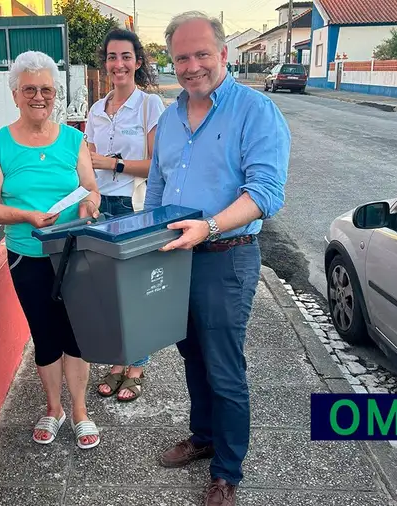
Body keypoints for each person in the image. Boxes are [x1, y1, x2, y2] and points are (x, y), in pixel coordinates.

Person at [146, 11, 290, 506]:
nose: (192, 66)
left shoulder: (255, 111)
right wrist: (147, 245)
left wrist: (209, 226)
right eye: (181, 57)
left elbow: (266, 192)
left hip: (227, 257)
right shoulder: (169, 116)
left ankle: (227, 472)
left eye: (202, 54)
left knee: (224, 367)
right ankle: (203, 437)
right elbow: (158, 189)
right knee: (190, 357)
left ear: (223, 54)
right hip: (176, 257)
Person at [0, 50, 103, 450]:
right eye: (29, 89)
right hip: (27, 256)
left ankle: (80, 411)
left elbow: (92, 189)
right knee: (44, 335)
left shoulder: (73, 139)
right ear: (15, 94)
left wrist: (90, 203)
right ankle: (54, 408)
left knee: (75, 334)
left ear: (55, 95)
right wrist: (25, 215)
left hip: (75, 254)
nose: (39, 96)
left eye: (46, 89)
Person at [84, 28, 166, 402]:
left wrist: (110, 164)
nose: (119, 64)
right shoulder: (95, 111)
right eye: (112, 57)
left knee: (138, 290)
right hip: (102, 208)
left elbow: (155, 166)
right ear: (105, 63)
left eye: (126, 57)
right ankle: (118, 360)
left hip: (134, 207)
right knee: (108, 291)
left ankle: (137, 365)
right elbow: (86, 165)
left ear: (137, 61)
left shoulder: (150, 106)